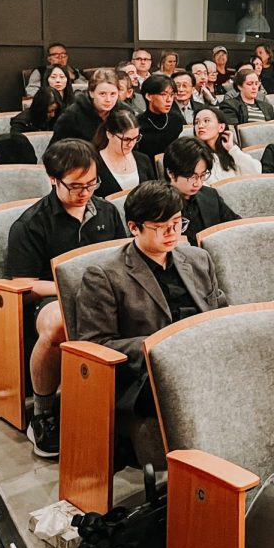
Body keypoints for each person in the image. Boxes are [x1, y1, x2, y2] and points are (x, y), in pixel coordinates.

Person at [8, 139, 128, 457]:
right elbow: (25, 283)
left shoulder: (106, 211)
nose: (85, 192)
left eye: (91, 183)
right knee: (59, 325)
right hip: (52, 299)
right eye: (75, 186)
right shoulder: (31, 223)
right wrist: (72, 288)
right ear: (53, 179)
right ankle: (44, 412)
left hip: (105, 293)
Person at [75, 180, 227, 420]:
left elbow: (220, 310)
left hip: (206, 354)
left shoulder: (199, 259)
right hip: (148, 374)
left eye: (177, 224)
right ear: (134, 227)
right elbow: (96, 345)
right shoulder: (104, 275)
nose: (172, 233)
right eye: (160, 227)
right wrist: (161, 346)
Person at [164, 137, 241, 243]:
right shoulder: (157, 204)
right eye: (192, 176)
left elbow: (237, 226)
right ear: (171, 173)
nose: (198, 183)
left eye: (203, 175)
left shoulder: (210, 195)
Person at [94, 109, 157, 196]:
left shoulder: (143, 159)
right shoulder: (94, 163)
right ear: (109, 134)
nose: (131, 144)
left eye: (136, 138)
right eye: (126, 139)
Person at [51, 68, 121, 143]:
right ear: (91, 93)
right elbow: (55, 149)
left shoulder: (125, 112)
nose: (108, 99)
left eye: (113, 94)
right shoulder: (71, 115)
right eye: (102, 94)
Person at [193, 105, 261, 182]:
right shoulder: (193, 155)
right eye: (196, 122)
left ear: (221, 127)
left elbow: (256, 172)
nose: (200, 126)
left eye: (206, 121)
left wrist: (232, 149)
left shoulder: (232, 152)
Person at [136, 75, 182, 159]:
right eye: (163, 95)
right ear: (149, 96)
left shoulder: (176, 119)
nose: (169, 100)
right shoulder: (137, 124)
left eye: (172, 95)